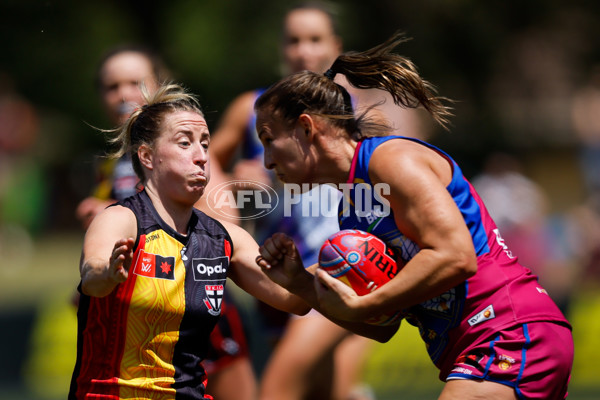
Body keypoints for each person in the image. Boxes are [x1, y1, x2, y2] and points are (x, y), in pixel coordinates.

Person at [253, 33, 574, 400]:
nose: (267, 161)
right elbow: (384, 325)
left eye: (268, 139)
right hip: (483, 346)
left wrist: (366, 303)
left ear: (307, 128)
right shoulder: (352, 211)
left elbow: (456, 255)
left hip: (511, 332)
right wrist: (300, 283)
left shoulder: (389, 161)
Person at [67, 82, 318, 399]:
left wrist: (306, 273)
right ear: (147, 156)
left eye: (205, 144)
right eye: (185, 143)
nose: (202, 157)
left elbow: (294, 302)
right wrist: (106, 274)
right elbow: (92, 276)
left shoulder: (224, 239)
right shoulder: (121, 219)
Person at [210, 3, 400, 399]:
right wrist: (234, 190)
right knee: (326, 392)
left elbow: (386, 188)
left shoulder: (360, 114)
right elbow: (205, 161)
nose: (303, 51)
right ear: (281, 47)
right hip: (279, 267)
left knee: (279, 388)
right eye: (294, 40)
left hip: (344, 266)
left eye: (315, 40)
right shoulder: (252, 109)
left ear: (336, 46)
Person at [71, 47, 256, 400]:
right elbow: (110, 251)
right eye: (112, 87)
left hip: (197, 304)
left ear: (158, 86)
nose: (123, 94)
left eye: (135, 83)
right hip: (142, 315)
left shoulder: (188, 151)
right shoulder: (111, 165)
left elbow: (223, 225)